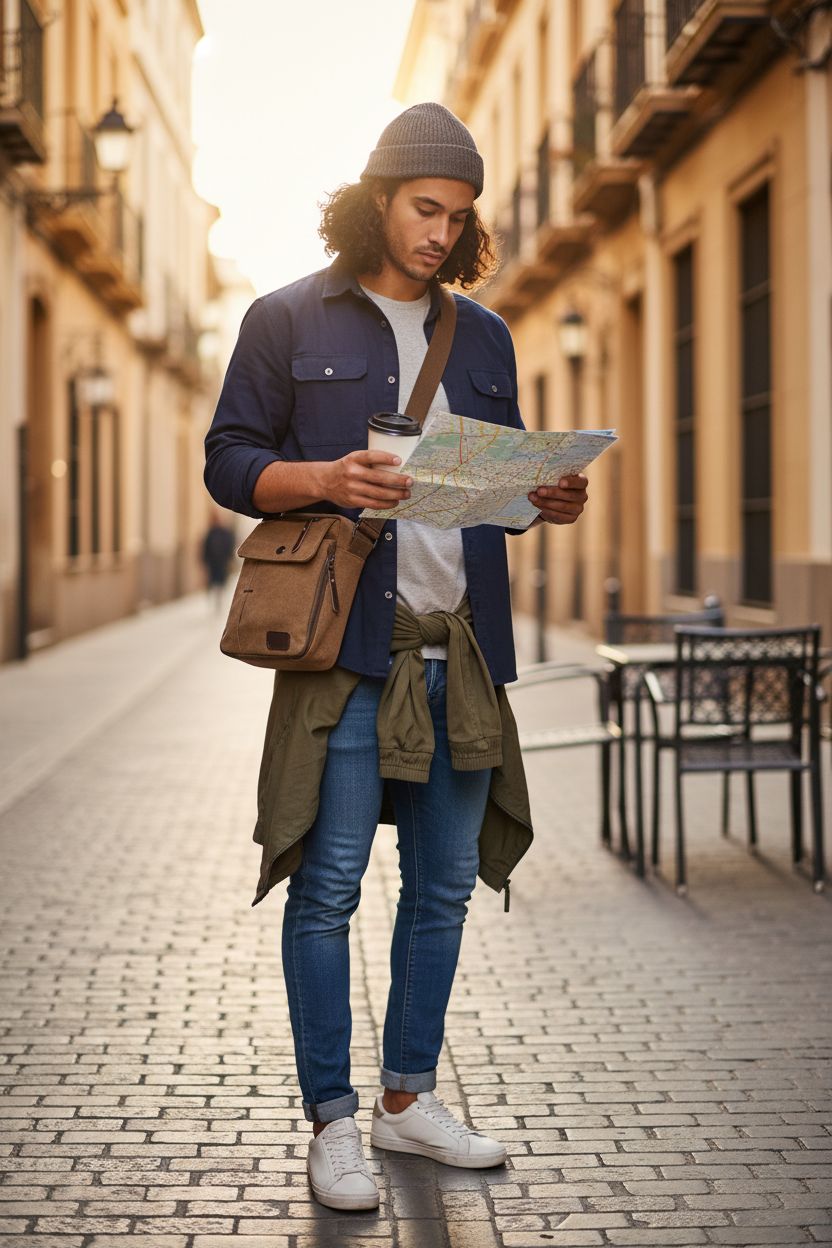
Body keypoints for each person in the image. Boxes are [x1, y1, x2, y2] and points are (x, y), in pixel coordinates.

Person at [204, 102, 588, 1212]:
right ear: (376, 200)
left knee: (443, 888)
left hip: (457, 650)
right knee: (327, 886)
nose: (440, 233)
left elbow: (492, 486)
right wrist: (323, 478)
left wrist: (542, 499)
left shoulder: (487, 336)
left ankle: (407, 1102)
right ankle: (332, 1122)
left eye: (458, 217)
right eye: (425, 209)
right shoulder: (285, 319)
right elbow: (229, 462)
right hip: (346, 654)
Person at [200, 511, 236, 611]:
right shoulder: (209, 533)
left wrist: (230, 559)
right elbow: (205, 548)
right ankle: (213, 602)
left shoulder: (225, 533)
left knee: (222, 582)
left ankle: (220, 602)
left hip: (222, 562)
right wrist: (204, 560)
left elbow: (229, 546)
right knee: (212, 582)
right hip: (213, 563)